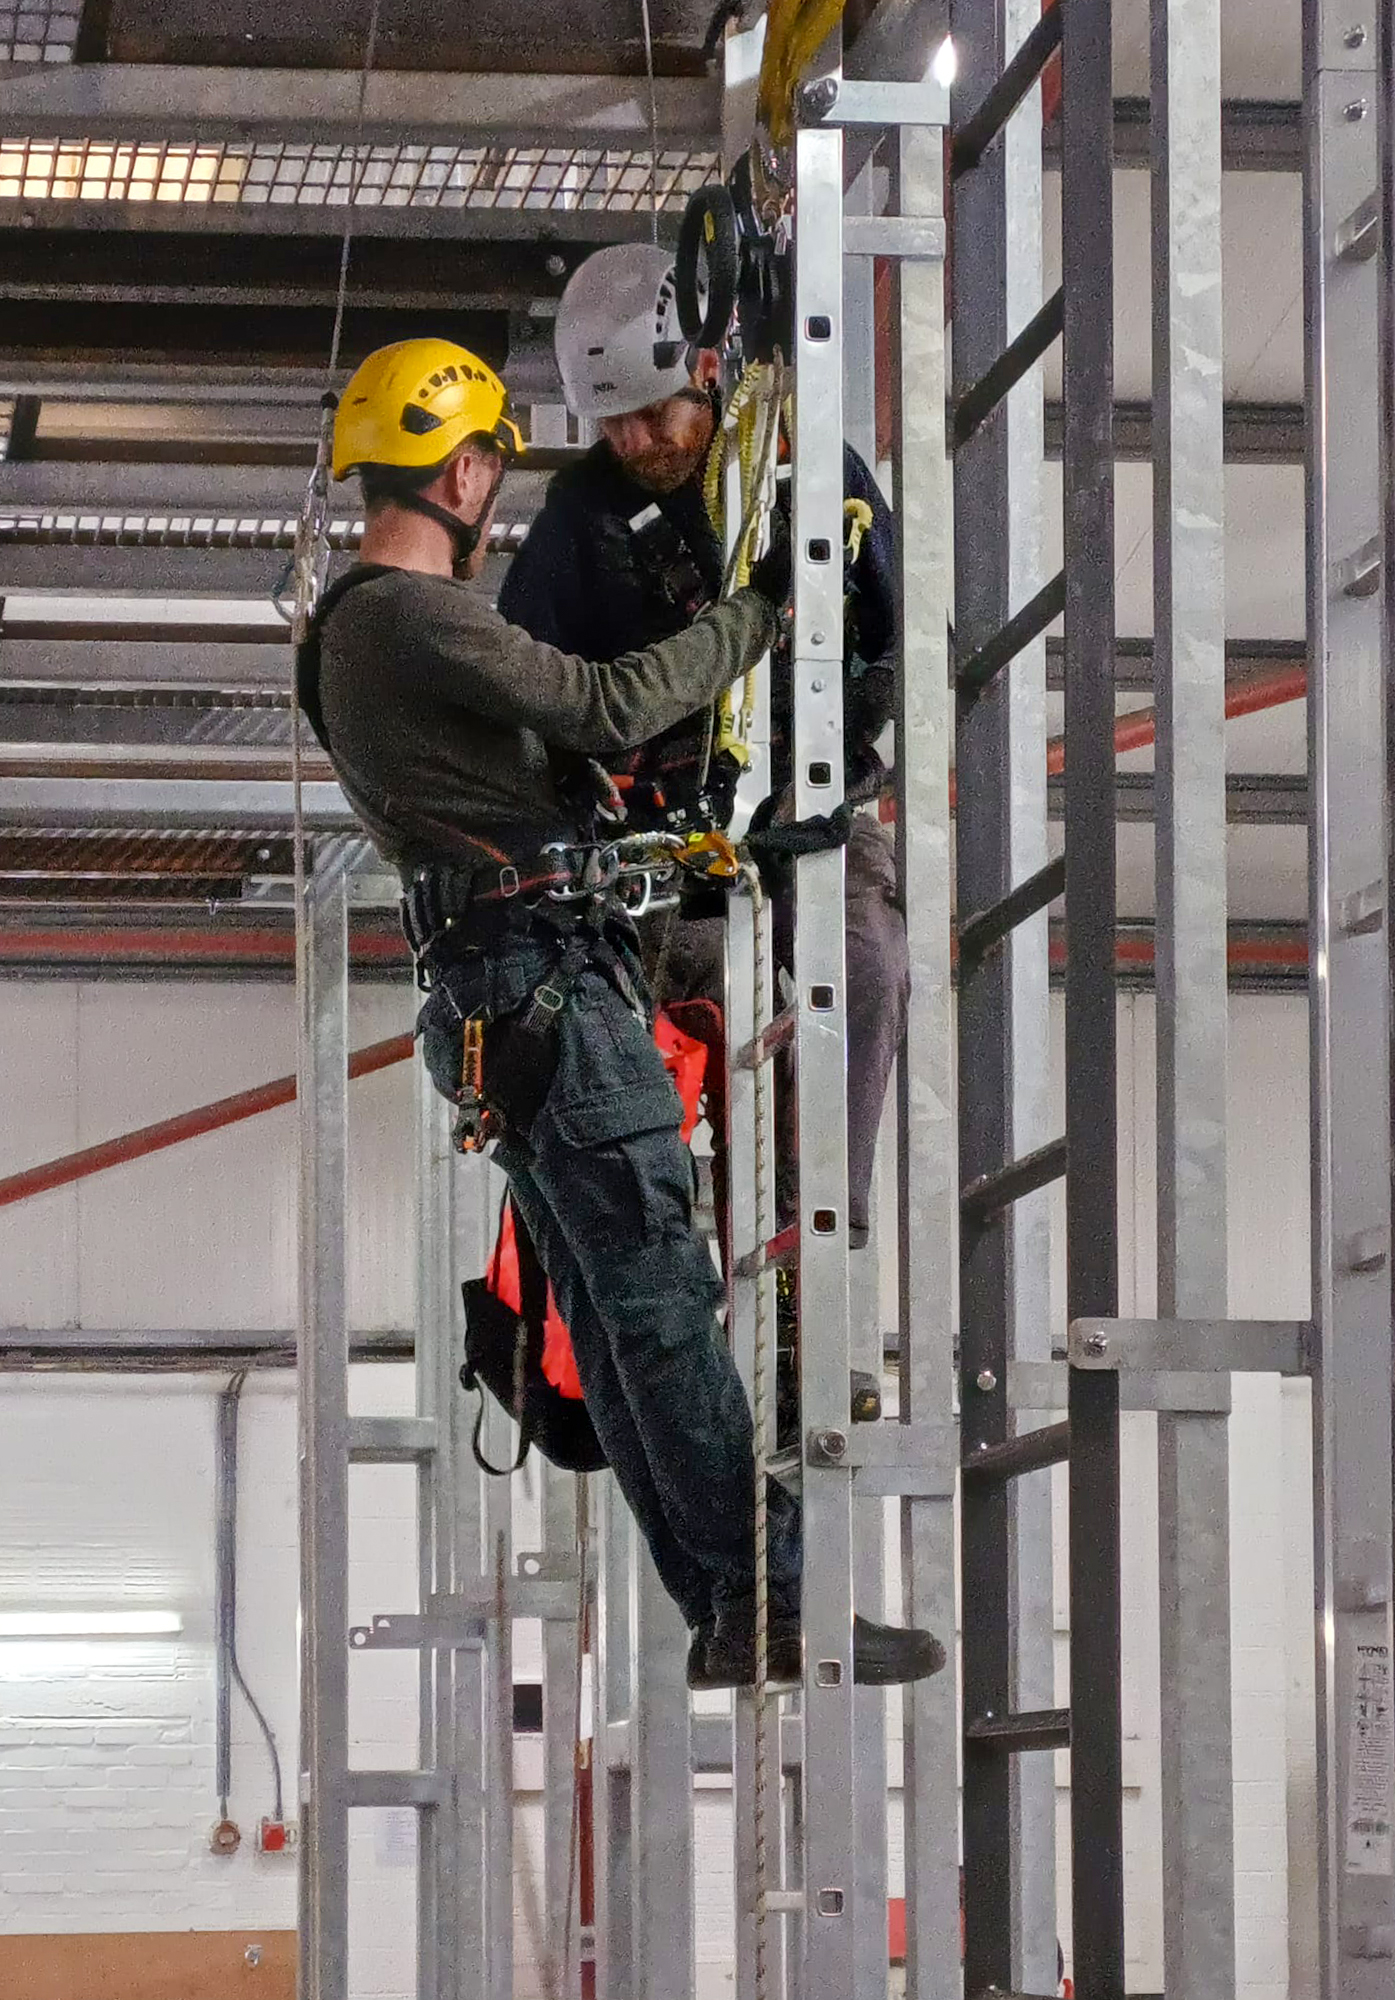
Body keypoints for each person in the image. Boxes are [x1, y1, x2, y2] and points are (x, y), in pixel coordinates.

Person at [296, 336, 942, 1693]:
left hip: (506, 989)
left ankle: (730, 1602)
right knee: (652, 1300)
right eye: (495, 477)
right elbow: (607, 701)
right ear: (468, 469)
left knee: (610, 1306)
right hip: (545, 988)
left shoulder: (351, 632)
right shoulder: (407, 615)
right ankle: (766, 1594)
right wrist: (765, 604)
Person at [501, 244, 910, 1272]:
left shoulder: (807, 472)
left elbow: (892, 648)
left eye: (654, 414)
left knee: (865, 965)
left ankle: (822, 1232)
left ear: (709, 373)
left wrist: (822, 752)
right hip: (657, 838)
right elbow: (527, 690)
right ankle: (655, 1258)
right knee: (633, 1032)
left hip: (809, 803)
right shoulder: (582, 521)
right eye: (614, 423)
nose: (636, 441)